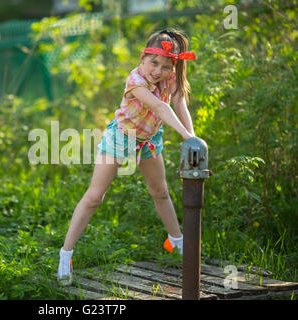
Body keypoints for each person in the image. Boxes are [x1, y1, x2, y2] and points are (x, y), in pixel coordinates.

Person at [57, 29, 197, 286]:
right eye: (153, 63)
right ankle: (66, 255)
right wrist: (187, 137)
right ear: (143, 58)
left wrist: (193, 135)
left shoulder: (170, 79)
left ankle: (175, 241)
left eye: (166, 66)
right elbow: (160, 106)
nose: (158, 71)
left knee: (160, 191)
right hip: (121, 138)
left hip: (149, 140)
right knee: (94, 197)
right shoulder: (135, 81)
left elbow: (178, 103)